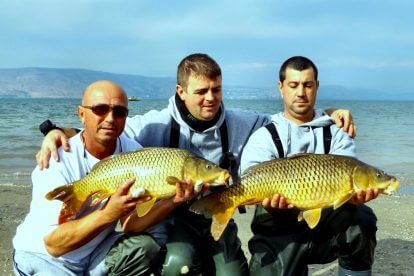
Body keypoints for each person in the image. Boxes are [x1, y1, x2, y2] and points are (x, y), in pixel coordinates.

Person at [36, 54, 356, 275]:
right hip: (171, 218)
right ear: (181, 92)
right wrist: (55, 131)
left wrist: (330, 113)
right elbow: (103, 128)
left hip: (218, 210)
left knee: (232, 273)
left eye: (216, 90)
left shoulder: (242, 122)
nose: (210, 98)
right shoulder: (153, 125)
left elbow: (291, 119)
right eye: (201, 91)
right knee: (179, 264)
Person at [13, 80, 198, 275]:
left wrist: (173, 201)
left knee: (146, 246)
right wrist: (109, 213)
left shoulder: (134, 152)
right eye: (100, 109)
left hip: (94, 253)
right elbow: (54, 245)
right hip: (45, 258)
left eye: (119, 112)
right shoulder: (56, 159)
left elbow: (130, 224)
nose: (110, 118)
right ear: (81, 114)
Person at [240, 56, 378, 276]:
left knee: (362, 218)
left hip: (325, 227)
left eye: (308, 85)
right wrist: (269, 203)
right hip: (278, 229)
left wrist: (355, 197)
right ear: (281, 87)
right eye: (293, 85)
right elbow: (249, 177)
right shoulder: (264, 136)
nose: (301, 92)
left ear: (317, 87)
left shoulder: (336, 132)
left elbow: (349, 175)